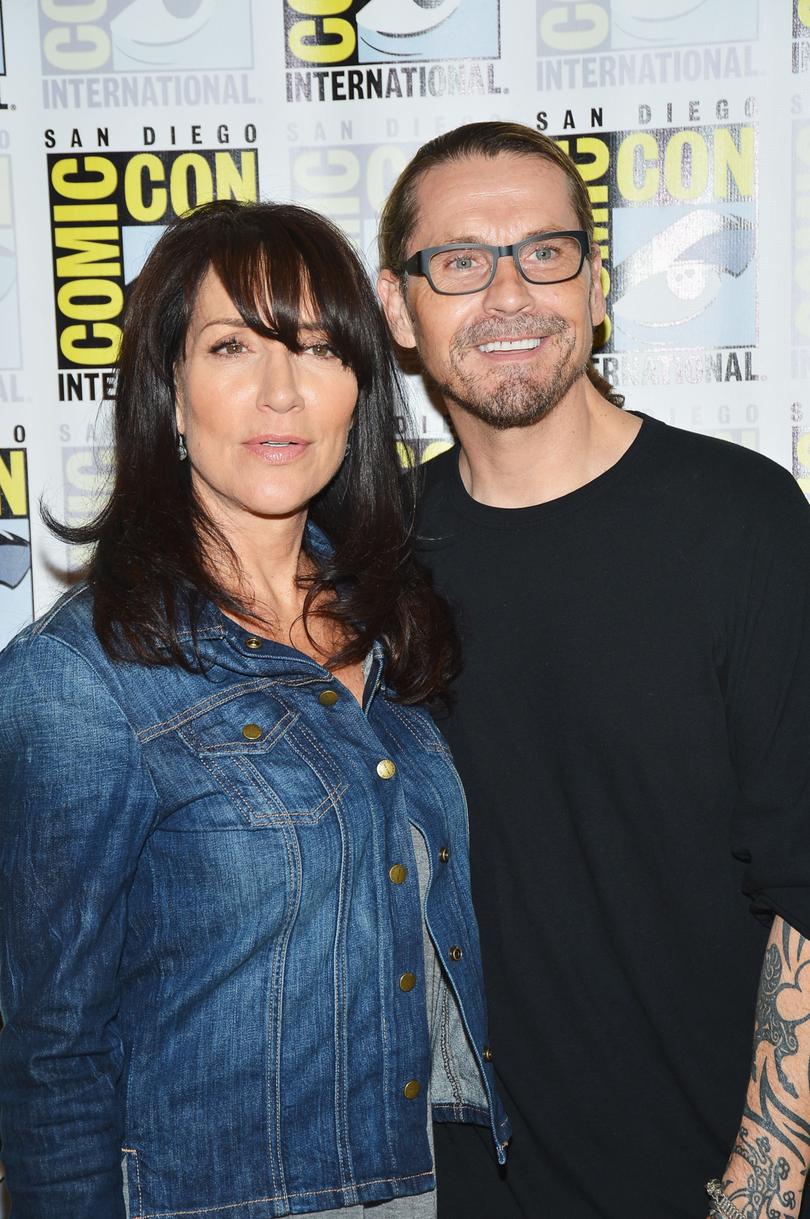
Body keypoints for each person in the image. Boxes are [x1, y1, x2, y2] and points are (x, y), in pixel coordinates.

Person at [0, 199, 510, 1219]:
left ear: (359, 390)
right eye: (233, 346)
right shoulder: (77, 678)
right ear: (170, 394)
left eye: (318, 349)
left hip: (415, 1185)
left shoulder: (390, 626)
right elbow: (46, 1055)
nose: (281, 392)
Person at [376, 121, 810, 1219]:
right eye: (461, 260)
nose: (510, 292)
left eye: (546, 251)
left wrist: (760, 1193)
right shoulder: (376, 557)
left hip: (705, 1184)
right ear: (398, 307)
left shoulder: (742, 522)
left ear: (598, 282)